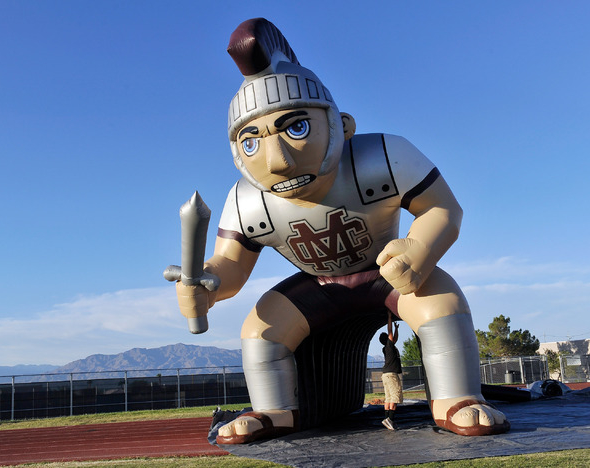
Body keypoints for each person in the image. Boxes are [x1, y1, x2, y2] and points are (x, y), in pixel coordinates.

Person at [174, 18, 510, 444]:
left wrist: (420, 249)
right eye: (253, 140)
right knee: (260, 330)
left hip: (385, 270)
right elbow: (230, 266)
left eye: (296, 127)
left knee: (440, 302)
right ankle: (275, 411)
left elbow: (443, 209)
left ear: (342, 126)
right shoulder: (246, 200)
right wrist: (207, 283)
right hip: (318, 285)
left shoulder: (383, 156)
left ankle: (456, 398)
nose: (278, 161)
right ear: (237, 152)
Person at [380, 312, 403, 430]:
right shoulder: (389, 346)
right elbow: (390, 334)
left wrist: (396, 329)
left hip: (385, 375)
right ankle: (390, 419)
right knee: (395, 397)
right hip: (392, 375)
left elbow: (394, 338)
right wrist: (389, 317)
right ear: (387, 339)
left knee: (388, 398)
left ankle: (387, 420)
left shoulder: (387, 347)